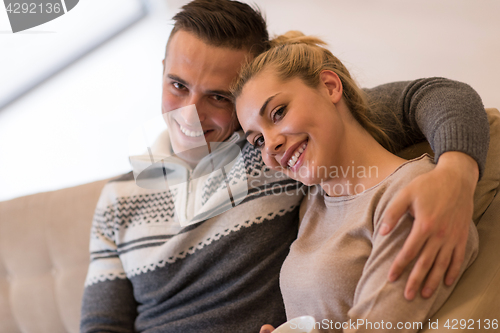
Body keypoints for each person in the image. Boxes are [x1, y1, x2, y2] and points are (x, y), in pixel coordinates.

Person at [80, 1, 489, 332]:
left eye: (219, 98)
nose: (190, 114)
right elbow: (102, 324)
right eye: (178, 85)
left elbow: (435, 96)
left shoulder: (277, 151)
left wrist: (456, 171)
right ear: (162, 71)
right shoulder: (117, 199)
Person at [232, 31, 479, 333]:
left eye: (279, 112)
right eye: (257, 140)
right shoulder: (313, 203)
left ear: (329, 86)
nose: (270, 146)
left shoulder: (414, 195)